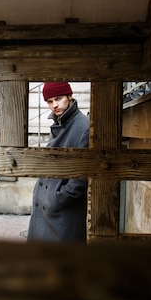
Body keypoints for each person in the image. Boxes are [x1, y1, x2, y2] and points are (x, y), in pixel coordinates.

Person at [27, 82, 90, 243]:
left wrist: (57, 199)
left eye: (59, 98)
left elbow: (81, 177)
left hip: (62, 214)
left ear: (70, 96)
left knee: (62, 263)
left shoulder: (84, 127)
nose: (54, 105)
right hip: (46, 209)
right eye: (49, 101)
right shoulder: (59, 122)